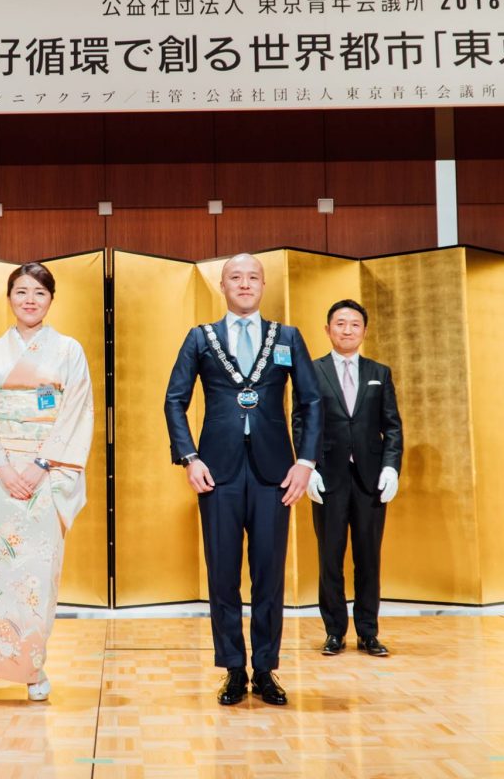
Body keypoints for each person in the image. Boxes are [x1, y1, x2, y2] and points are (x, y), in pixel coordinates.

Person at [164, 253, 322, 706]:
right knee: (223, 574)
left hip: (276, 473)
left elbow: (311, 401)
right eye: (236, 277)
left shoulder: (287, 336)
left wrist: (306, 462)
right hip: (218, 473)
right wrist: (190, 458)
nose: (245, 283)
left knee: (269, 574)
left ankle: (266, 669)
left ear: (264, 284)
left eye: (253, 277)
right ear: (223, 285)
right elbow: (174, 400)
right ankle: (233, 668)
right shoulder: (201, 337)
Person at [0, 262, 93, 701]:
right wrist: (2, 467)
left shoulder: (68, 350)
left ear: (51, 299)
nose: (30, 300)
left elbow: (76, 411)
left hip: (45, 475)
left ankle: (32, 669)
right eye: (21, 291)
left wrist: (41, 463)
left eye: (39, 292)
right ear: (9, 297)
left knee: (36, 577)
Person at [306, 300, 403, 658]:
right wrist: (308, 466)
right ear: (327, 329)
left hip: (369, 480)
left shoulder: (380, 372)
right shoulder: (312, 371)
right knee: (329, 557)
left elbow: (392, 426)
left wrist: (391, 467)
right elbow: (301, 422)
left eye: (354, 324)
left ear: (364, 330)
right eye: (340, 323)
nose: (347, 330)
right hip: (328, 477)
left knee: (368, 558)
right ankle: (334, 632)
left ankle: (368, 632)